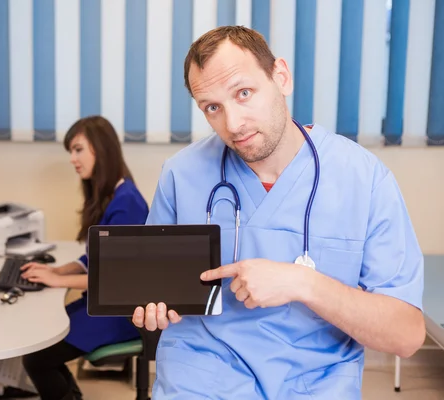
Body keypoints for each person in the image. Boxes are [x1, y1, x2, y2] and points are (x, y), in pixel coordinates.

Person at [132, 26, 425, 399]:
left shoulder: (363, 179)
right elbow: (152, 292)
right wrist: (151, 308)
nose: (233, 124)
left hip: (316, 385)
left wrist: (304, 284)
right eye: (212, 108)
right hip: (202, 380)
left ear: (281, 77)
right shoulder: (181, 173)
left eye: (244, 93)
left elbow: (407, 336)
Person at [21, 116, 149, 400]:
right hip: (103, 304)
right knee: (39, 341)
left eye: (78, 149)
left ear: (100, 149)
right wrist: (56, 271)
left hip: (120, 313)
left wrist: (55, 280)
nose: (72, 159)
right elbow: (94, 259)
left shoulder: (127, 203)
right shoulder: (112, 196)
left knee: (37, 357)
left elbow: (115, 278)